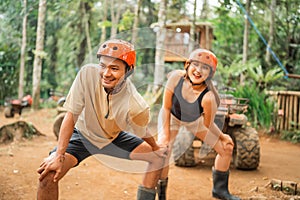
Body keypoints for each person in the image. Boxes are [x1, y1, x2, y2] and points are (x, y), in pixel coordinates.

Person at [37, 39, 168, 200]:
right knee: (48, 175)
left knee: (158, 157)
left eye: (114, 68)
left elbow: (141, 130)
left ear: (128, 71)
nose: (106, 73)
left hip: (113, 138)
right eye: (103, 66)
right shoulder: (86, 75)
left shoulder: (136, 104)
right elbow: (71, 116)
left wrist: (156, 147)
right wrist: (58, 156)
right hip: (81, 135)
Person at [156, 48, 240, 200]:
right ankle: (161, 194)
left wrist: (222, 137)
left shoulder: (208, 97)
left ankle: (220, 190)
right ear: (188, 65)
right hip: (172, 117)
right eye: (196, 64)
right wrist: (165, 137)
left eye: (205, 68)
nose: (198, 70)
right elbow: (165, 108)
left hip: (195, 122)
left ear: (210, 73)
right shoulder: (175, 78)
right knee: (164, 151)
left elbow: (208, 124)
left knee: (227, 147)